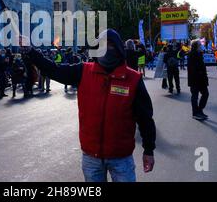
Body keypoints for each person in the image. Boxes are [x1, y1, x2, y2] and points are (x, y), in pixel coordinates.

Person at [20, 29, 156, 182]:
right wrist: (30, 51)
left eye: (111, 46)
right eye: (103, 46)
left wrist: (148, 150)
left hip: (121, 158)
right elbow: (53, 70)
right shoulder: (83, 71)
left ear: (119, 49)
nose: (107, 50)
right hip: (92, 158)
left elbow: (145, 119)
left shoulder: (133, 79)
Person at [187, 40, 210, 120]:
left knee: (205, 94)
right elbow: (193, 69)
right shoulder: (192, 54)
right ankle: (196, 113)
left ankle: (199, 110)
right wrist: (200, 74)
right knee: (195, 96)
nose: (201, 45)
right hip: (195, 80)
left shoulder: (199, 54)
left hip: (201, 79)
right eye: (200, 44)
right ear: (196, 46)